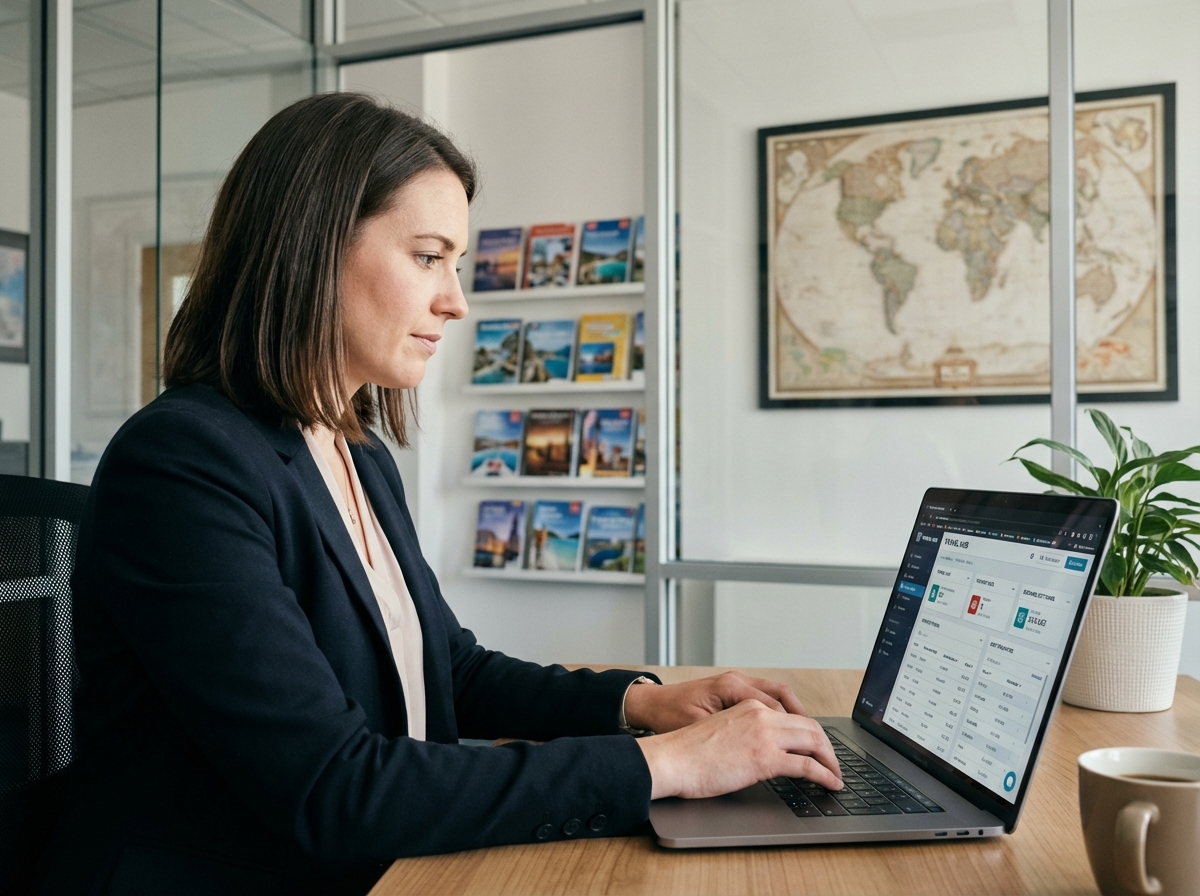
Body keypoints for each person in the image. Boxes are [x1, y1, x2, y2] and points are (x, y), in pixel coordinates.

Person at [40, 93, 841, 896]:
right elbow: (333, 788)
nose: (456, 299)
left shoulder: (357, 451)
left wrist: (647, 703)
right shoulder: (183, 464)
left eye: (455, 264)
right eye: (429, 257)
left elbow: (446, 671)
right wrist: (664, 765)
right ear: (311, 248)